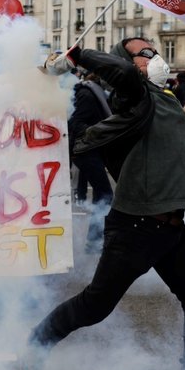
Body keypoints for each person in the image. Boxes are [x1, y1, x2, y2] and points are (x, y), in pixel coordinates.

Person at [24, 37, 185, 370]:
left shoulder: (169, 103)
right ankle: (35, 347)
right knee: (95, 306)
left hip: (171, 229)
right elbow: (124, 76)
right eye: (142, 54)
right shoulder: (136, 99)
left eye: (153, 51)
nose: (153, 56)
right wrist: (77, 55)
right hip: (135, 227)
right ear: (127, 65)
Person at [68, 71, 114, 253]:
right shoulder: (88, 95)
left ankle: (94, 241)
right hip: (85, 150)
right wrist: (100, 130)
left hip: (88, 150)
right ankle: (94, 241)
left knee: (100, 194)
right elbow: (76, 123)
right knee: (105, 194)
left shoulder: (93, 93)